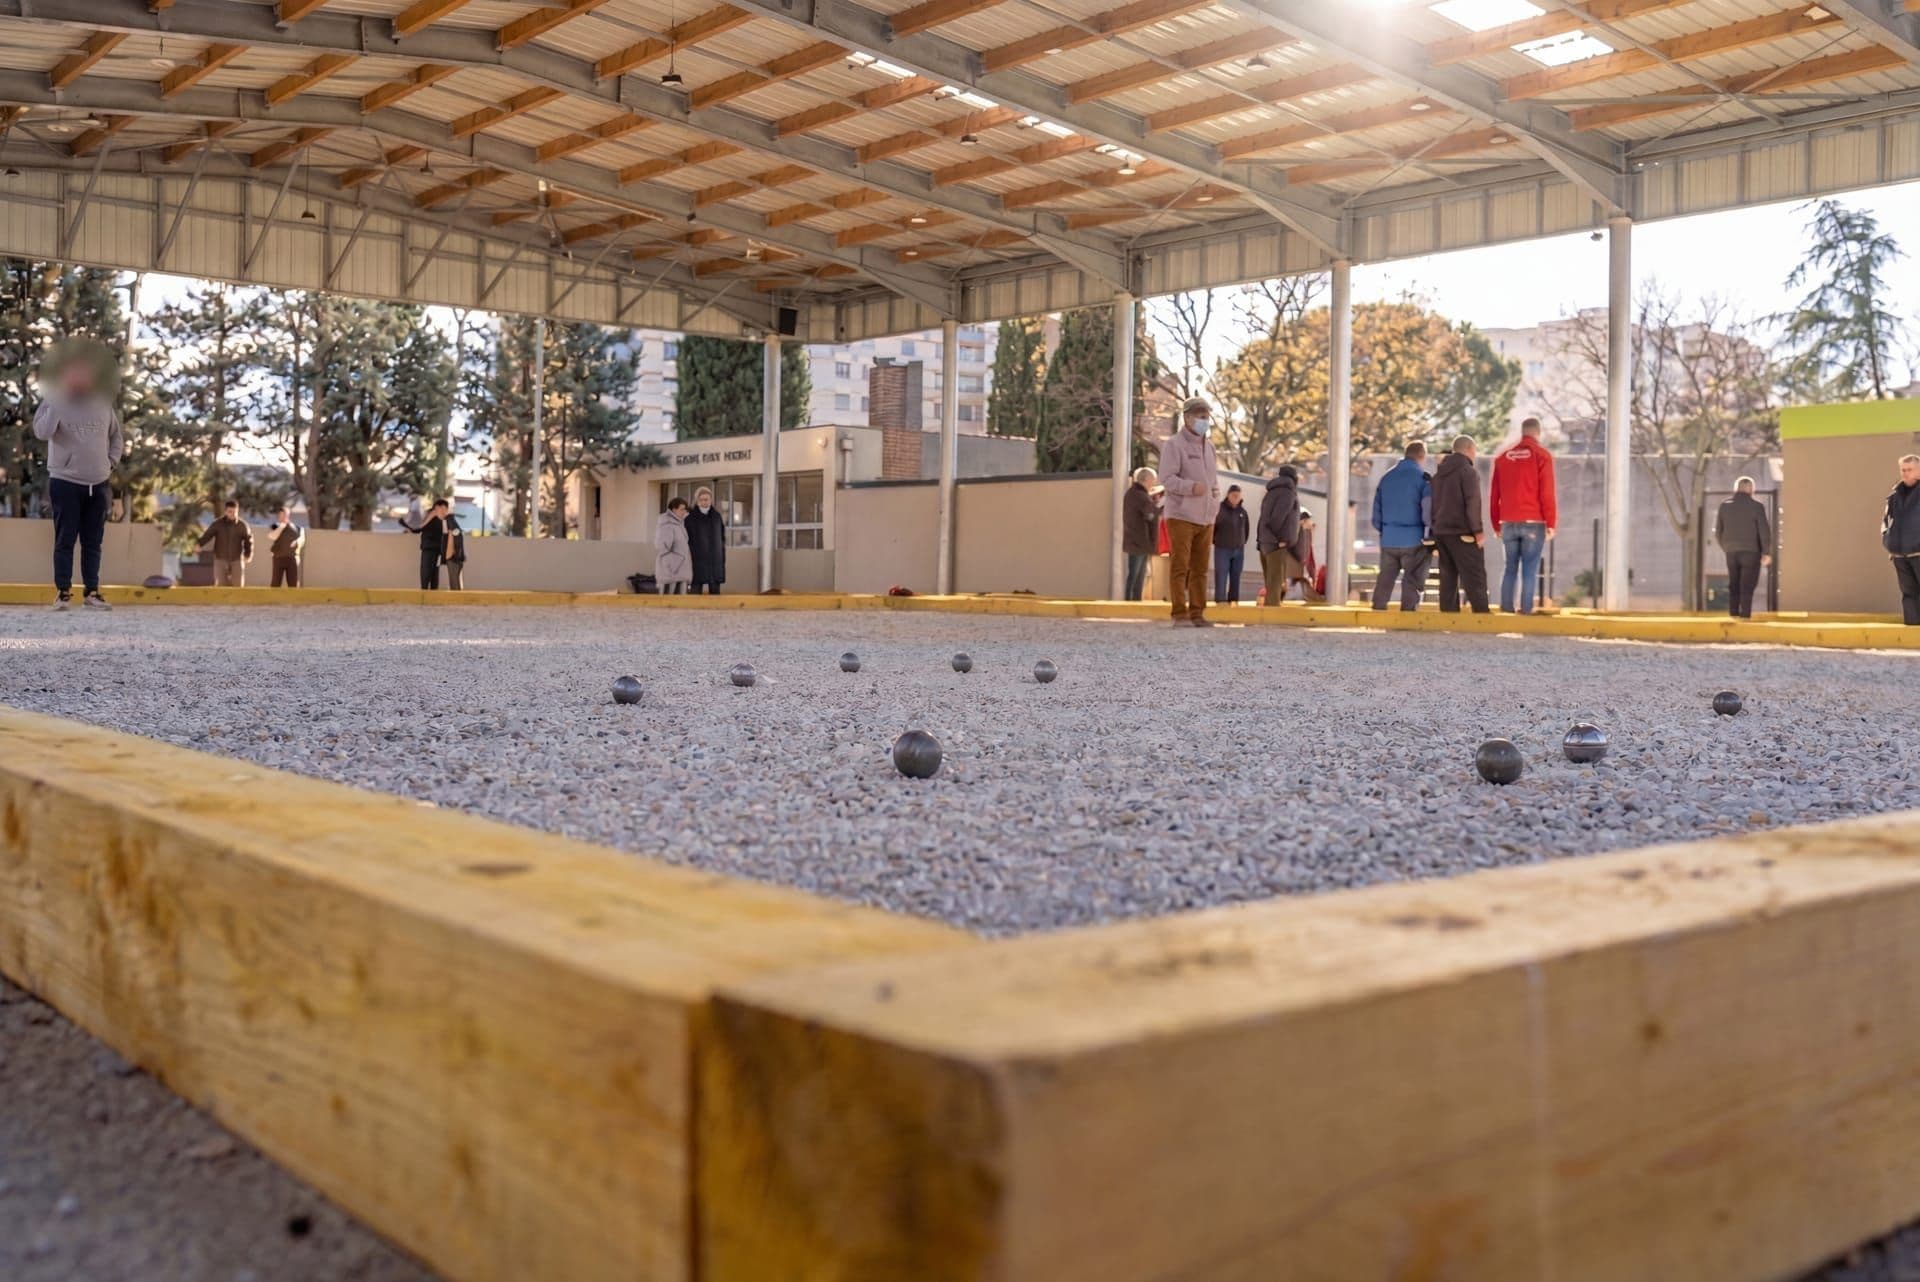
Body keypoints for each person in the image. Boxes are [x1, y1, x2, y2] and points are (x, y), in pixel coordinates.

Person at [33, 339, 122, 611]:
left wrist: (110, 463)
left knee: (93, 542)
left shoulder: (102, 403)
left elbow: (116, 437)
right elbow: (42, 432)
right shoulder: (53, 401)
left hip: (99, 484)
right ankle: (62, 593)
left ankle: (92, 593)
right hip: (65, 482)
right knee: (65, 540)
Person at [1158, 397, 1220, 627]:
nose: (1203, 420)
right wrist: (1191, 488)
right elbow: (1166, 479)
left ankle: (1197, 613)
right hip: (1181, 515)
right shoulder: (1174, 445)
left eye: (1206, 416)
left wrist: (1215, 504)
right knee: (1180, 566)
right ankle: (1179, 613)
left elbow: (1214, 483)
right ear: (1186, 417)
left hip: (1206, 518)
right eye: (1199, 416)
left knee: (1201, 568)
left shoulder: (1210, 446)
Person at [1489, 417, 1558, 614]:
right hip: (1534, 522)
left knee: (1510, 567)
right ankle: (1526, 609)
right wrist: (1551, 522)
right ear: (1538, 432)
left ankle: (1506, 607)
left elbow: (1495, 496)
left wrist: (1496, 524)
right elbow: (1547, 493)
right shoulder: (1542, 456)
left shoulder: (1503, 458)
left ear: (1522, 431)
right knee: (1529, 568)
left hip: (1508, 522)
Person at [1371, 440, 1433, 612]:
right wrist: (1429, 531)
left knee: (1385, 578)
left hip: (1389, 538)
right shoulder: (1422, 478)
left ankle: (1378, 609)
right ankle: (1408, 612)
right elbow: (1427, 511)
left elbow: (1376, 513)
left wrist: (1385, 530)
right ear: (1422, 456)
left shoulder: (1387, 477)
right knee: (1412, 578)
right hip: (1413, 538)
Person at [1430, 435, 1489, 614]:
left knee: (1447, 577)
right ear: (1470, 449)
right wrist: (1477, 531)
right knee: (1474, 576)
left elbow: (1433, 503)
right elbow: (1472, 502)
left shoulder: (1439, 474)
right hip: (1463, 532)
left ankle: (1449, 615)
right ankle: (1481, 615)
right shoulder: (1468, 472)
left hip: (1442, 532)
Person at [1714, 477, 1772, 620]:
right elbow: (1764, 531)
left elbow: (1718, 532)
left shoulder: (1725, 506)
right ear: (1751, 489)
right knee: (1747, 584)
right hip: (1751, 552)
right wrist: (1766, 552)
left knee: (1734, 583)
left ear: (1736, 488)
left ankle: (1733, 614)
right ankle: (1745, 615)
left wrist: (1726, 546)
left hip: (1731, 552)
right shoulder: (1757, 507)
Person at [1256, 465, 1303, 607]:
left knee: (1271, 582)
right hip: (1276, 543)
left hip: (1264, 540)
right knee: (1275, 582)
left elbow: (1265, 517)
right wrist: (1279, 541)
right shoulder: (1288, 493)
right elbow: (1278, 517)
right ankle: (1272, 614)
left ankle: (1270, 610)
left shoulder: (1270, 492)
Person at [1883, 454, 1920, 625]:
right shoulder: (1895, 495)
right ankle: (1912, 634)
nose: (1905, 474)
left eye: (1909, 470)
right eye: (1903, 470)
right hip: (1900, 555)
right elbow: (1886, 521)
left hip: (1918, 551)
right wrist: (1887, 540)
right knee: (1908, 594)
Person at [1122, 467, 1161, 602]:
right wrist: (1159, 506)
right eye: (1153, 480)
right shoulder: (1139, 495)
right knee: (1135, 575)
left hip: (1139, 541)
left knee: (1139, 575)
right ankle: (1130, 601)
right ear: (1145, 479)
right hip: (1138, 540)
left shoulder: (1135, 494)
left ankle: (1135, 600)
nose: (1154, 483)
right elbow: (1149, 515)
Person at [198, 499, 254, 588]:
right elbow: (208, 535)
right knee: (221, 586)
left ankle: (237, 601)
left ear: (237, 511)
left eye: (235, 512)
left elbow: (249, 541)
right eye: (230, 512)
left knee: (238, 585)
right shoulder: (217, 524)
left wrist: (248, 554)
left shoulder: (242, 525)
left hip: (237, 559)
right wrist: (199, 544)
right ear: (225, 512)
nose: (232, 514)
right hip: (220, 558)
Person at [685, 486, 727, 596]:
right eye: (701, 499)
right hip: (697, 561)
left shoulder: (717, 517)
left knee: (715, 593)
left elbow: (722, 538)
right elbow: (687, 539)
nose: (704, 502)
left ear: (711, 500)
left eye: (707, 499)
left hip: (715, 561)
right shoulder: (690, 518)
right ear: (697, 501)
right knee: (695, 592)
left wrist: (722, 556)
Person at [400, 499, 451, 590]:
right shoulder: (432, 515)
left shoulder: (443, 520)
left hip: (437, 550)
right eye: (442, 509)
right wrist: (407, 526)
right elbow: (420, 528)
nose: (444, 511)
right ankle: (425, 593)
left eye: (446, 509)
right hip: (429, 549)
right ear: (436, 508)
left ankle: (432, 593)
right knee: (426, 572)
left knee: (434, 573)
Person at [1212, 485, 1249, 606]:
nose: (1236, 498)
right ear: (1228, 495)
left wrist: (1242, 542)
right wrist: (1216, 541)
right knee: (1221, 574)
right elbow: (1213, 527)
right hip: (1222, 548)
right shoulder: (1220, 509)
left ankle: (1233, 600)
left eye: (1238, 496)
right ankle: (1220, 601)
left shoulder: (1242, 512)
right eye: (1234, 495)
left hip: (1238, 549)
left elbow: (1246, 530)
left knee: (1236, 576)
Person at [655, 497, 692, 595]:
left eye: (685, 509)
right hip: (671, 574)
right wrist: (672, 566)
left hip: (680, 572)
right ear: (674, 510)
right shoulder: (668, 525)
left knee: (680, 605)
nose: (684, 512)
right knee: (668, 603)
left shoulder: (679, 525)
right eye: (682, 509)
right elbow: (662, 548)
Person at [267, 505, 304, 588]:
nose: (283, 517)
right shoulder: (275, 526)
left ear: (288, 515)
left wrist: (297, 542)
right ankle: (273, 599)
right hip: (278, 558)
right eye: (281, 515)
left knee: (293, 582)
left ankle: (293, 600)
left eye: (285, 515)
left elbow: (302, 539)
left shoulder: (296, 528)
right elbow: (271, 536)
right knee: (276, 582)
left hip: (292, 558)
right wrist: (281, 527)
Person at [442, 513, 468, 590]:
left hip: (453, 559)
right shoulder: (457, 530)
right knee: (456, 582)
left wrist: (448, 556)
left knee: (454, 583)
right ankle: (457, 600)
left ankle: (456, 600)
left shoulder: (452, 530)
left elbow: (451, 543)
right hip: (457, 559)